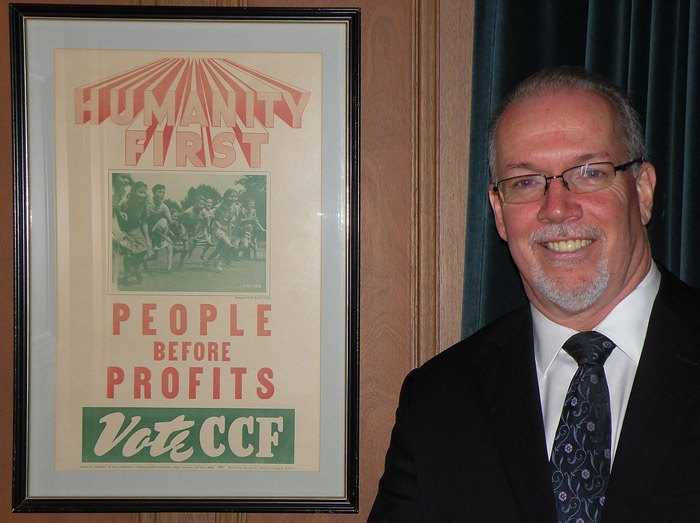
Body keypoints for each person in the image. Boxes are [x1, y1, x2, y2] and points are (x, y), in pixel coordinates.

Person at [369, 65, 700, 523]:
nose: (557, 207)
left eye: (588, 172)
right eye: (526, 182)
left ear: (642, 191)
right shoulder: (438, 401)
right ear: (500, 213)